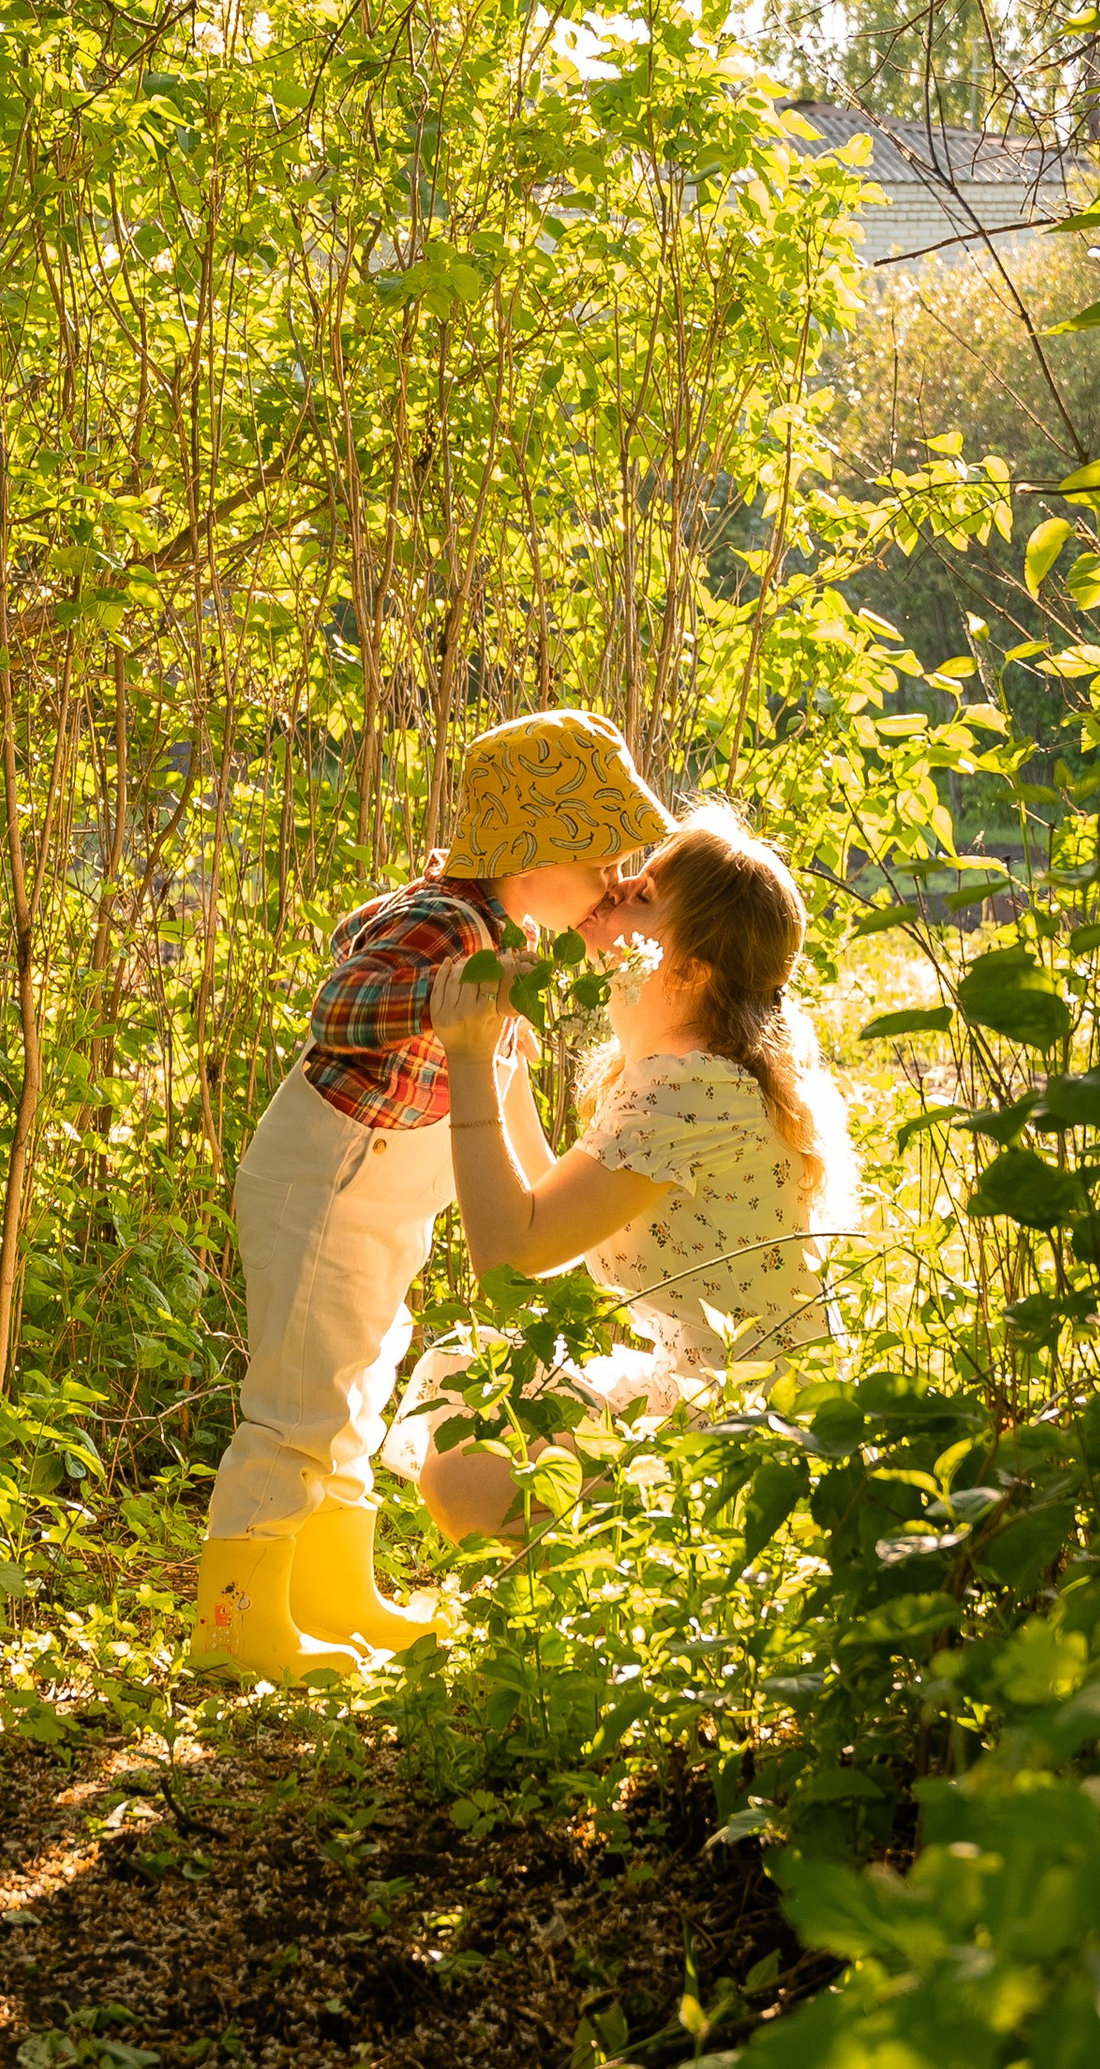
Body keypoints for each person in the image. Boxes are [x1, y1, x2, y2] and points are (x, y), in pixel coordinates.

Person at [194, 708, 673, 1687]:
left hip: (381, 1192)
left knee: (359, 1383)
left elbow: (489, 1063)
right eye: (600, 860)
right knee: (298, 1403)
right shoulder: (449, 925)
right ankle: (233, 1624)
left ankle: (331, 1591)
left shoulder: (503, 929)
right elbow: (338, 1003)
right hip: (328, 1181)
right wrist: (442, 1001)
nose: (610, 882)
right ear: (535, 851)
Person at [392, 803, 857, 1535]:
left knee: (471, 1465)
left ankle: (628, 1593)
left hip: (750, 1439)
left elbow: (509, 1256)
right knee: (472, 1381)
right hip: (712, 1397)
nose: (615, 889)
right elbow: (550, 1230)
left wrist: (472, 1060)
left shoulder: (693, 1088)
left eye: (644, 894)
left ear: (691, 967)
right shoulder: (684, 1073)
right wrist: (503, 1059)